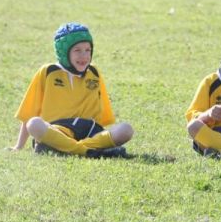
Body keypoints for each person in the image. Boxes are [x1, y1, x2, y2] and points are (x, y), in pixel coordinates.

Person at [9, 23, 134, 158]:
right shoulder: (48, 72)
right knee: (34, 124)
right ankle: (89, 151)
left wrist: (103, 136)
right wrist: (19, 146)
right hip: (59, 131)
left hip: (91, 132)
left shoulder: (94, 72)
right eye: (77, 50)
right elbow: (28, 114)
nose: (84, 56)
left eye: (88, 50)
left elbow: (102, 114)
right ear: (64, 52)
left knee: (126, 130)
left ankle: (67, 149)